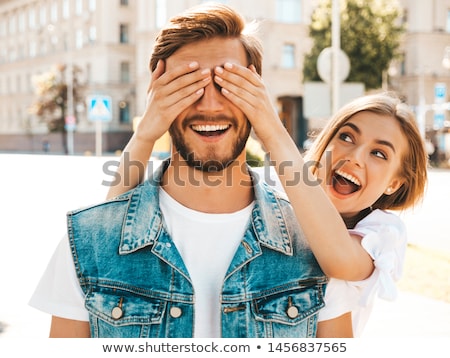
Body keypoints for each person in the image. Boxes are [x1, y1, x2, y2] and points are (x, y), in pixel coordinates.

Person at [29, 3, 353, 338]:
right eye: (187, 84)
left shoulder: (316, 246)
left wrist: (271, 127)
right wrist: (145, 133)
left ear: (257, 91)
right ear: (157, 96)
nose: (209, 105)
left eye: (229, 83)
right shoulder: (86, 243)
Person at [102, 83, 428, 337]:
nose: (355, 156)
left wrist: (270, 128)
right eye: (346, 137)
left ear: (394, 183)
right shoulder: (276, 204)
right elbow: (111, 226)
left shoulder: (383, 233)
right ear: (326, 142)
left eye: (379, 154)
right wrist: (146, 133)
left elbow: (338, 259)